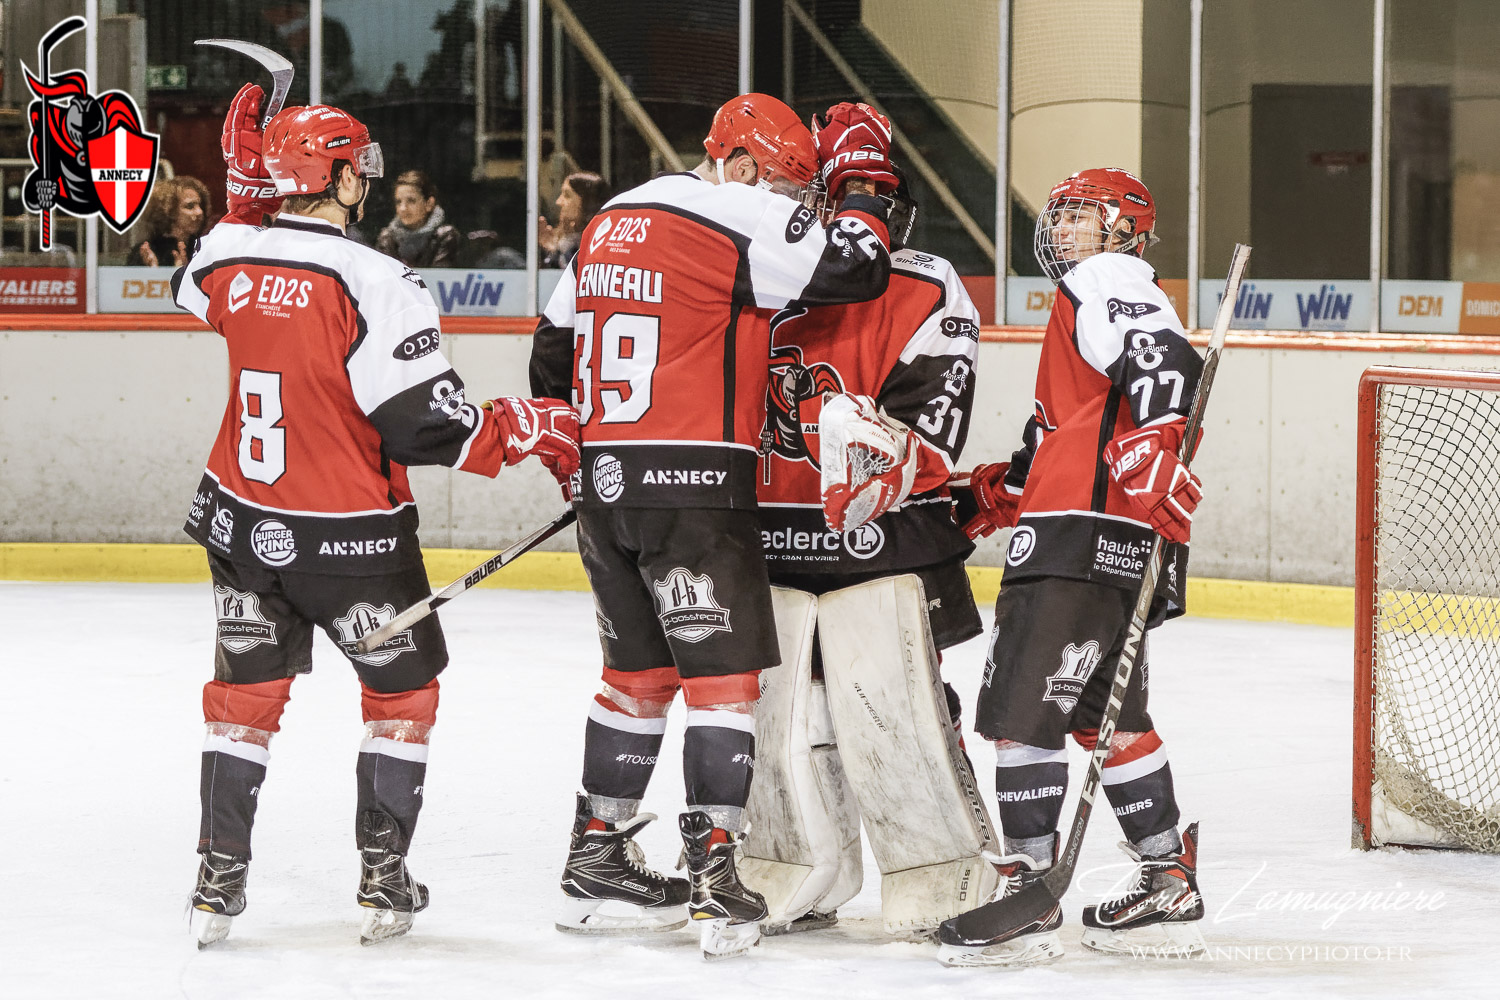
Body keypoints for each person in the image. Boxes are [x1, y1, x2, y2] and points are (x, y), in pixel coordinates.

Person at [174, 86, 579, 949]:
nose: (366, 178)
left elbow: (190, 282)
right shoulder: (377, 279)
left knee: (243, 699)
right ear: (343, 178)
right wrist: (527, 427)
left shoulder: (231, 254)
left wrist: (243, 200)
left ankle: (216, 882)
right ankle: (383, 878)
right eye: (357, 166)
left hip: (241, 523)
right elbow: (426, 426)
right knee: (401, 694)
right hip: (350, 537)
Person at [528, 94, 898, 959]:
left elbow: (550, 352)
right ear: (739, 164)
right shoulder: (736, 210)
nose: (792, 206)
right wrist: (865, 186)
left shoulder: (612, 216)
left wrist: (579, 449)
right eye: (787, 187)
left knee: (636, 678)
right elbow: (858, 269)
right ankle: (716, 880)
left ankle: (597, 856)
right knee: (723, 687)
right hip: (696, 486)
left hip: (607, 486)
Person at [935, 168, 1206, 967]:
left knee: (1021, 714)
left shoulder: (1107, 276)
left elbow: (1165, 362)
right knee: (1108, 718)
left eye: (1080, 216)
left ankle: (1027, 884)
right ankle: (1167, 875)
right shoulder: (1097, 294)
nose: (1062, 231)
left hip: (1071, 541)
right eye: (1060, 218)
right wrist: (991, 496)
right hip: (1115, 542)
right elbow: (1056, 438)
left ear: (1123, 229)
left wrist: (1154, 447)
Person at [739, 167, 995, 936]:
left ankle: (949, 863)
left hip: (887, 541)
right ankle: (806, 863)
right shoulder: (759, 267)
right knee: (787, 715)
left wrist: (888, 456)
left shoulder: (926, 281)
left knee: (902, 705)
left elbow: (932, 436)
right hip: (770, 537)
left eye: (880, 201)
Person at [375, 169, 462, 267]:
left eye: (411, 201)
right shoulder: (387, 239)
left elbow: (440, 275)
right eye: (398, 202)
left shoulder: (445, 237)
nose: (403, 208)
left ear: (429, 204)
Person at [127, 176, 211, 266]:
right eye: (189, 206)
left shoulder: (204, 248)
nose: (199, 212)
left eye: (201, 205)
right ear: (170, 211)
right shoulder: (146, 252)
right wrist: (153, 271)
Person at [538, 171, 609, 267]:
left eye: (567, 195)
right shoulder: (563, 239)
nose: (558, 202)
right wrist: (552, 250)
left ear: (588, 203)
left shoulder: (601, 243)